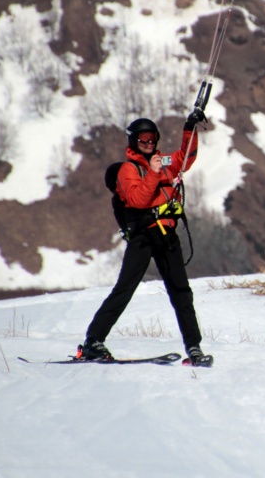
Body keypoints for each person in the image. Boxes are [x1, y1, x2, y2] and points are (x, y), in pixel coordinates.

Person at [79, 111, 210, 364]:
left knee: (182, 292)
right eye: (143, 139)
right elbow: (138, 199)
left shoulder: (162, 162)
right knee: (125, 289)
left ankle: (194, 348)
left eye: (153, 138)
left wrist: (189, 129)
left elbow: (184, 159)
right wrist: (152, 172)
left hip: (167, 236)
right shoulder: (128, 170)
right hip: (144, 237)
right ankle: (93, 341)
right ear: (133, 142)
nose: (149, 143)